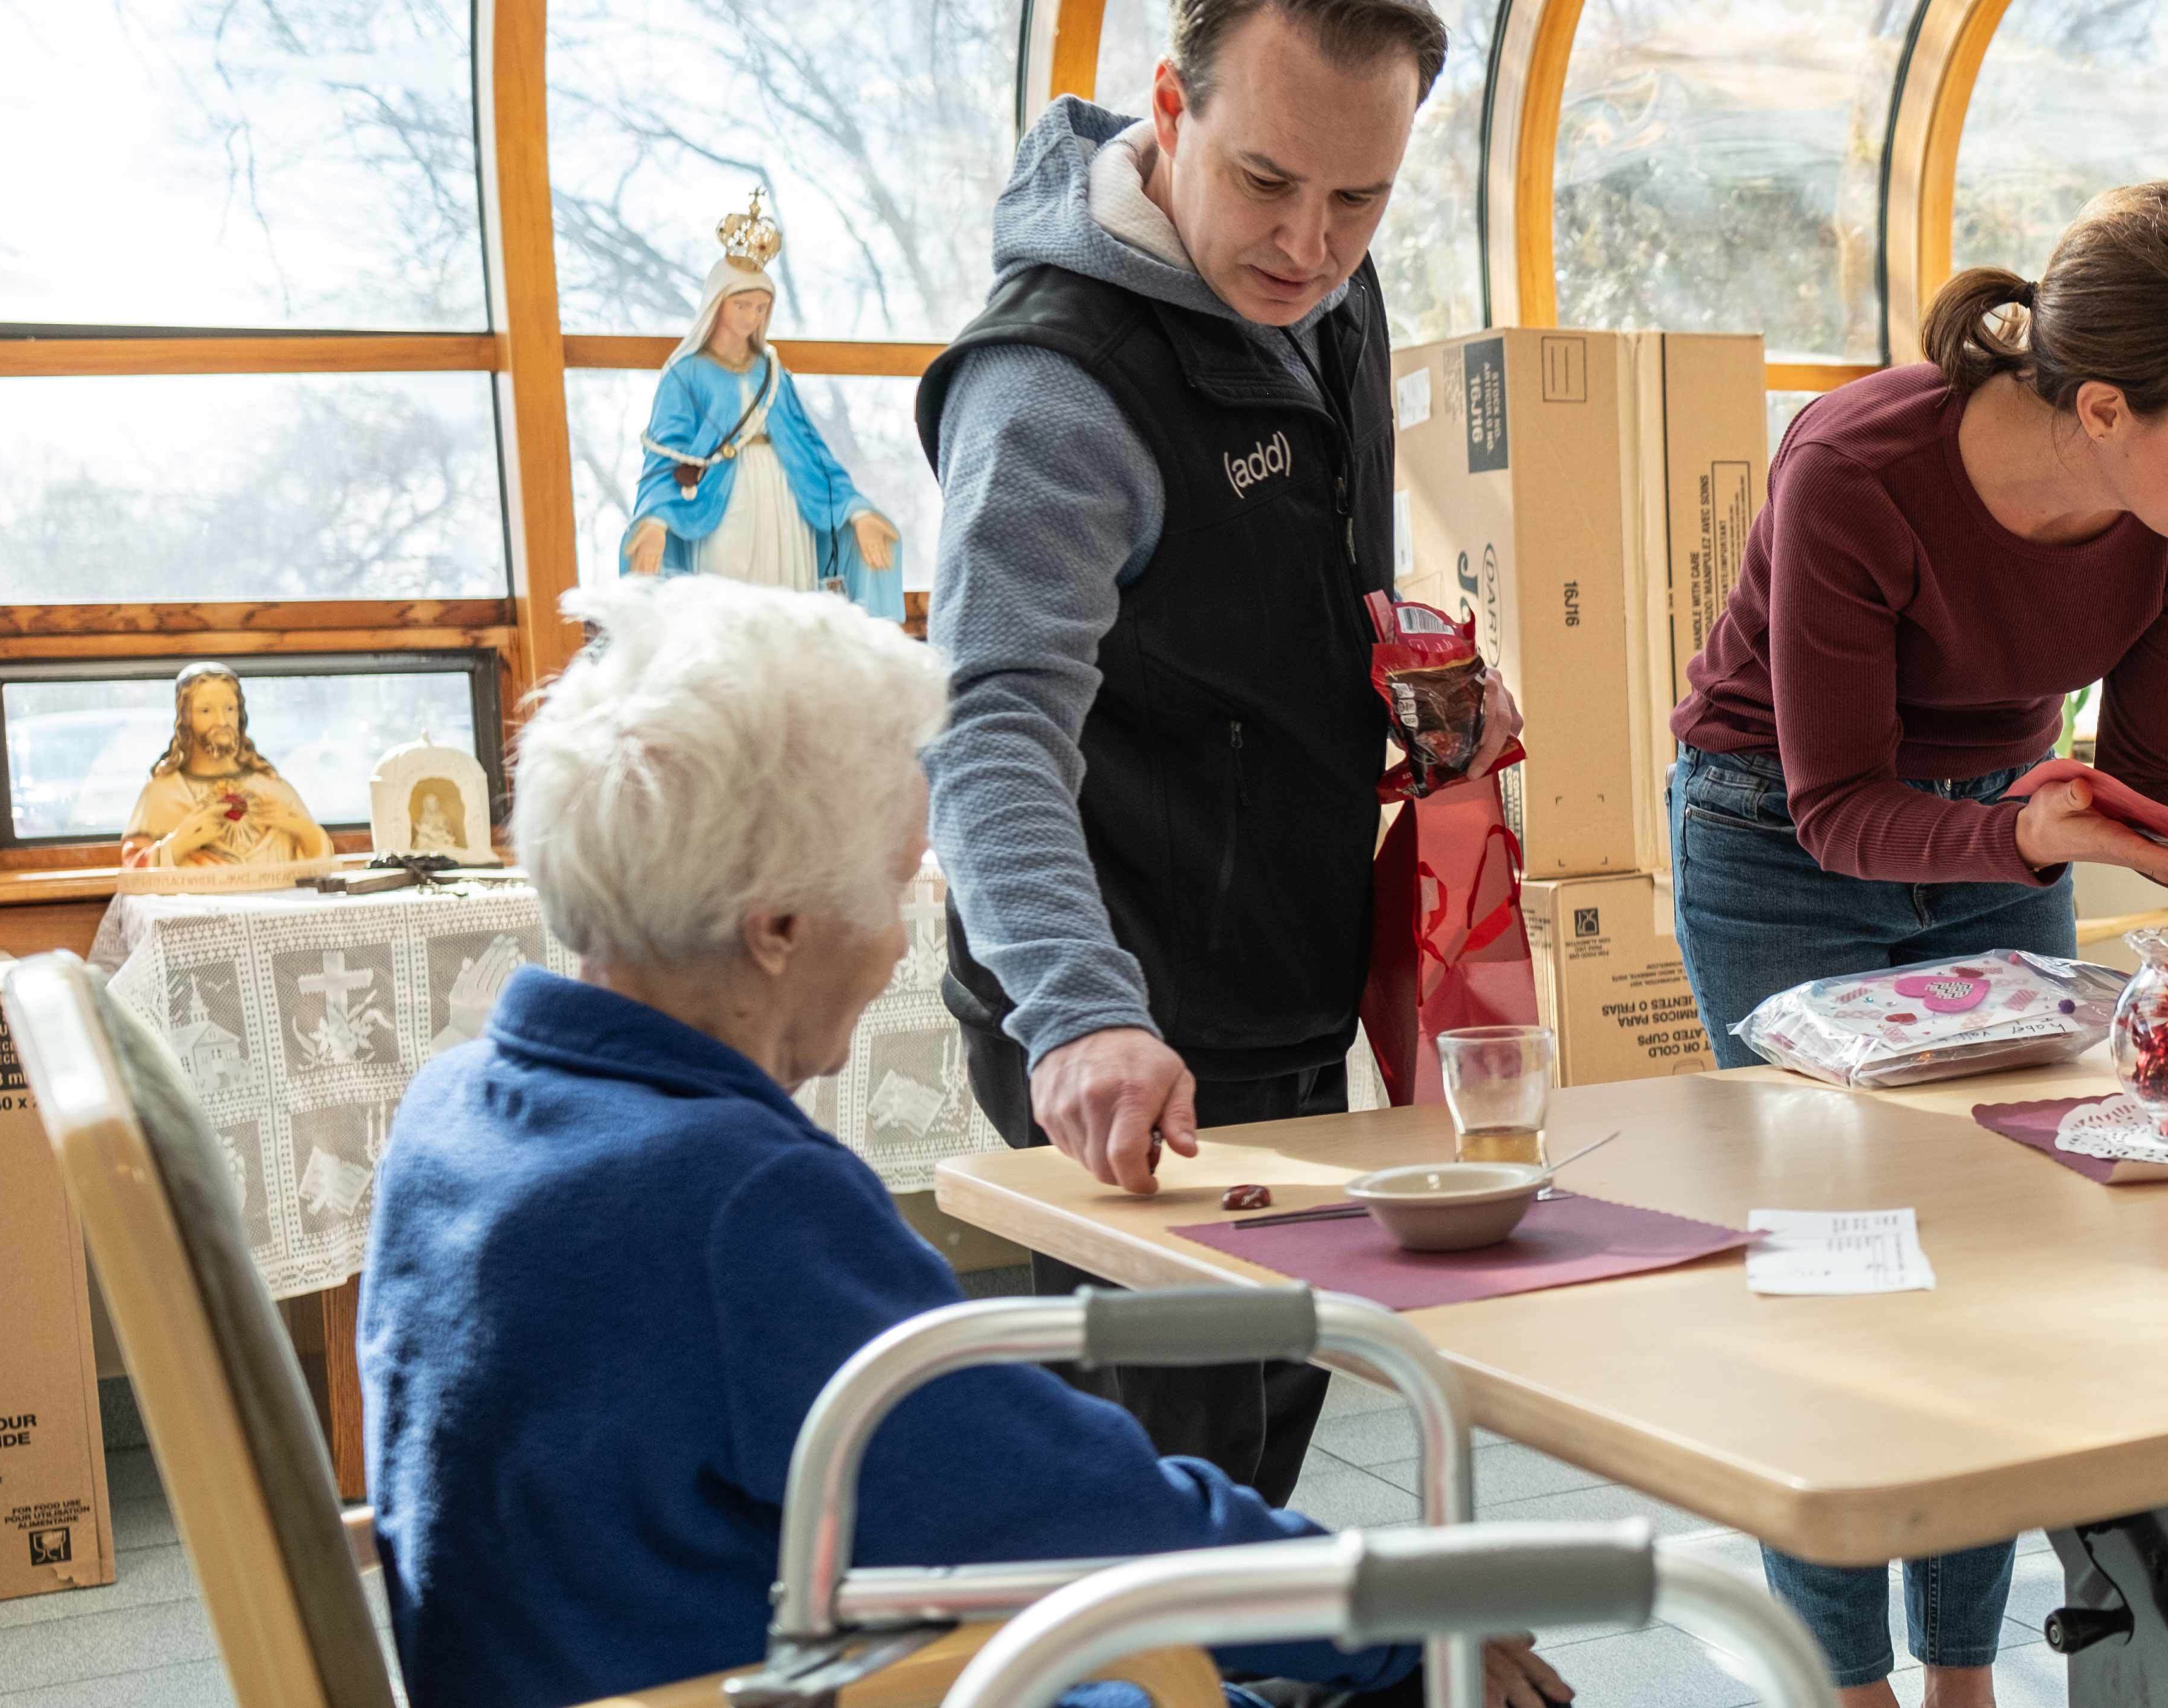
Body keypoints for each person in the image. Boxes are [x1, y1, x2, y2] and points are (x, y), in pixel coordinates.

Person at [361, 576, 1575, 1708]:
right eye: (894, 890)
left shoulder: (458, 1111)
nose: (899, 944)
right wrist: (1410, 1603)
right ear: (778, 925)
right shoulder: (723, 1193)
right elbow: (1060, 1512)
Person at [1664, 180, 2168, 1708]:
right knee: (1840, 1276)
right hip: (1776, 838)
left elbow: (2160, 781)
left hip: (2003, 832)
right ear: (2104, 406)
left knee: (1993, 1271)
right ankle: (1848, 1689)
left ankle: (1964, 1681)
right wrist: (2030, 835)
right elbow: (1839, 802)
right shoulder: (1857, 465)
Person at [915, 0, 1515, 1509]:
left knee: (1267, 1415)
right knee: (1171, 1471)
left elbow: (1282, 580)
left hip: (1279, 968)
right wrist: (1080, 1011)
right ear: (1168, 112)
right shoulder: (1054, 390)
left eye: (1359, 196)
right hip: (1115, 993)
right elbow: (988, 729)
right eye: (1266, 182)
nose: (1311, 242)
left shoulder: (1330, 290)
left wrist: (1414, 688)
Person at [625, 189, 903, 619]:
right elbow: (666, 453)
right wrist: (656, 519)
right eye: (742, 305)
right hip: (722, 503)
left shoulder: (773, 374)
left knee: (789, 608)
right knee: (727, 611)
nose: (752, 317)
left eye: (761, 307)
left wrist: (856, 510)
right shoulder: (685, 374)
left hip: (785, 497)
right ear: (717, 304)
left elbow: (813, 452)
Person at [119, 662, 332, 867]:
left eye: (230, 709)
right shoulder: (164, 792)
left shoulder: (272, 788)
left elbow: (321, 861)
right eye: (206, 711)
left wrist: (303, 830)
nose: (222, 721)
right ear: (185, 718)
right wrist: (178, 844)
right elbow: (133, 866)